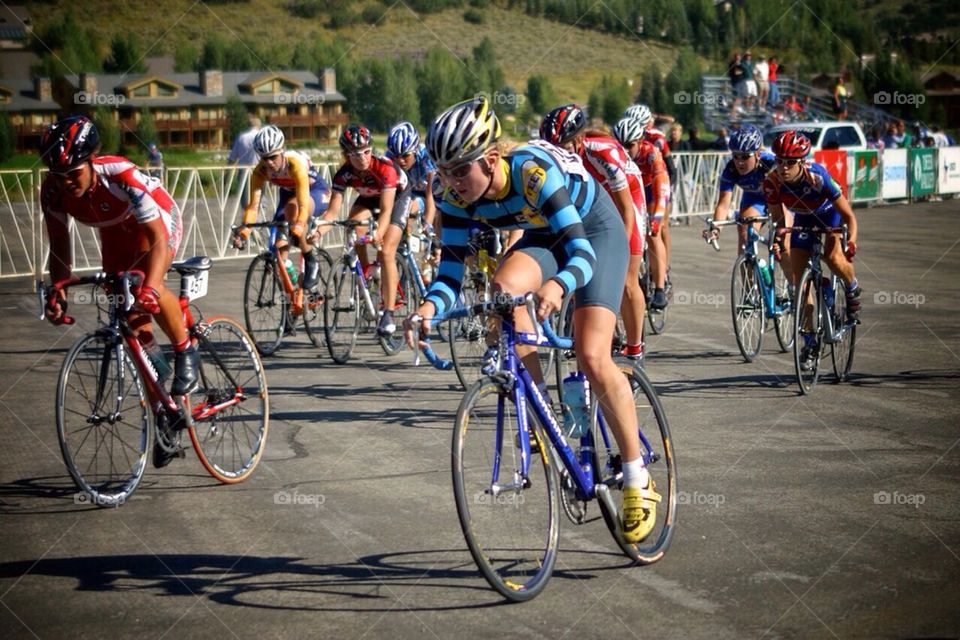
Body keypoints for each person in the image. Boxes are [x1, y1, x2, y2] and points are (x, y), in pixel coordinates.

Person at [405, 96, 660, 543]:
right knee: (502, 293)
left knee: (592, 354)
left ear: (490, 159)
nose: (451, 183)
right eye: (443, 172)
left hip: (592, 230)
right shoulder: (452, 195)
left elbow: (580, 252)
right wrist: (427, 307)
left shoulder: (532, 172)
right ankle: (541, 408)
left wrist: (558, 286)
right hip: (543, 233)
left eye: (461, 170)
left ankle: (638, 479)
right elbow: (449, 271)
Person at [39, 115, 196, 468]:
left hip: (156, 222)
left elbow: (156, 239)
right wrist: (58, 288)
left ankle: (186, 350)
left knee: (143, 287)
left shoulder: (120, 175)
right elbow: (59, 247)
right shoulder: (52, 190)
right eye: (57, 175)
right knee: (131, 322)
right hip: (114, 233)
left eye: (73, 173)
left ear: (91, 163)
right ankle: (163, 409)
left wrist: (152, 288)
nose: (65, 183)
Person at [540, 104, 647, 360]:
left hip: (626, 199)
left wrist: (619, 252)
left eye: (562, 147)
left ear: (578, 141)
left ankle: (635, 349)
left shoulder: (603, 153)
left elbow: (625, 208)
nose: (556, 154)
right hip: (592, 203)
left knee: (625, 280)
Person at [762, 131, 861, 371]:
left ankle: (851, 285)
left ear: (803, 162)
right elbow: (779, 221)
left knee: (834, 258)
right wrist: (777, 240)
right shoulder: (772, 182)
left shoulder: (818, 177)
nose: (784, 167)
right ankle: (809, 342)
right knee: (800, 285)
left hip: (829, 216)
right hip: (803, 221)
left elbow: (848, 215)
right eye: (780, 161)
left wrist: (851, 241)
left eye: (790, 162)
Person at [315, 124, 411, 336]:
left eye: (367, 151)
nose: (363, 158)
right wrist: (318, 231)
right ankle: (367, 272)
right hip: (368, 197)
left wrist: (378, 233)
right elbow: (331, 214)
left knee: (386, 251)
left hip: (397, 198)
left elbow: (386, 211)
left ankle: (388, 313)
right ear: (346, 156)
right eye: (356, 155)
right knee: (352, 224)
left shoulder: (384, 168)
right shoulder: (343, 174)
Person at [233, 125, 329, 290]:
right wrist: (244, 232)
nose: (269, 162)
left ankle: (311, 260)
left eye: (273, 157)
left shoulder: (294, 164)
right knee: (278, 257)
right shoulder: (260, 171)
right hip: (289, 195)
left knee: (293, 210)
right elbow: (253, 206)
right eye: (264, 158)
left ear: (282, 151)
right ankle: (292, 300)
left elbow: (302, 204)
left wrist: (299, 225)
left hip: (314, 192)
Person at [613, 117, 671, 314]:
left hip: (652, 191)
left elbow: (662, 187)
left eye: (629, 145)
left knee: (653, 234)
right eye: (621, 146)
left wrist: (656, 218)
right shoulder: (613, 155)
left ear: (639, 142)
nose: (625, 151)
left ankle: (660, 287)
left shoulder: (651, 153)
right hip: (629, 192)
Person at [704, 125, 777, 253]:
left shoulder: (771, 164)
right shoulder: (731, 170)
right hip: (755, 200)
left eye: (745, 156)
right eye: (736, 155)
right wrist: (716, 229)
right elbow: (723, 204)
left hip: (778, 199)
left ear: (758, 154)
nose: (739, 162)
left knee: (784, 246)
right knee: (745, 232)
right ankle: (749, 268)